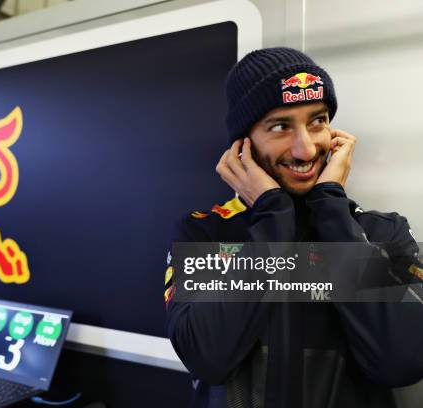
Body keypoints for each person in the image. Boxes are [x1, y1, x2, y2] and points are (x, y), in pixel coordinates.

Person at [164, 47, 423, 408]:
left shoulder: (383, 231)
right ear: (243, 143)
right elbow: (208, 357)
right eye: (281, 126)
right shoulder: (208, 233)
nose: (305, 149)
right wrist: (273, 217)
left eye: (317, 121)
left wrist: (332, 212)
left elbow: (402, 362)